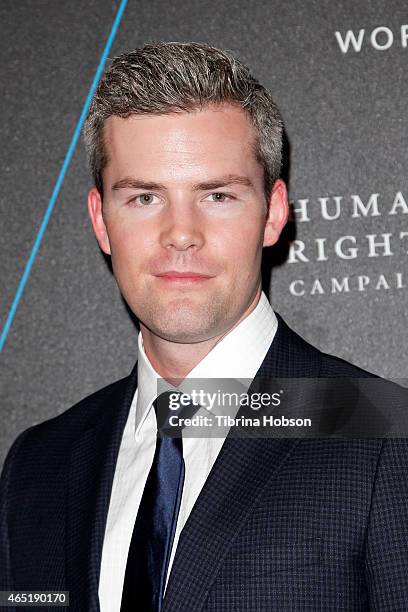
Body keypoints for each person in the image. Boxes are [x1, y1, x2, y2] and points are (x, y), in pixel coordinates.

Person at [1, 41, 408, 612]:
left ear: (272, 213)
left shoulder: (387, 441)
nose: (181, 233)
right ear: (101, 220)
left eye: (217, 195)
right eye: (145, 197)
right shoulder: (38, 464)